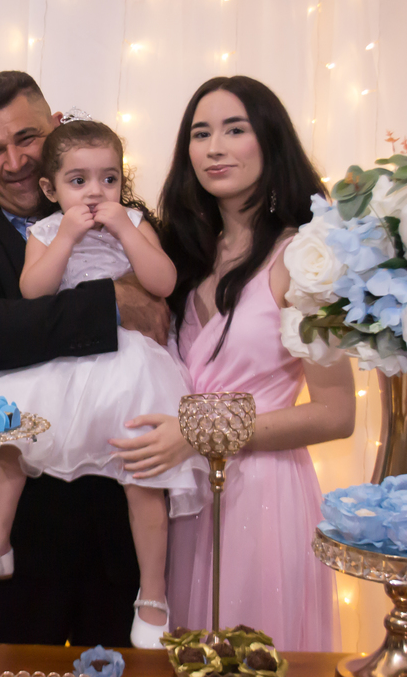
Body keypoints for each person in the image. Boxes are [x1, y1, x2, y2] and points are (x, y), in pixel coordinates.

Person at [0, 71, 172, 646]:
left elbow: (164, 315)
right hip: (18, 524)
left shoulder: (128, 218)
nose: (14, 162)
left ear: (56, 129)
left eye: (26, 138)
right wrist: (112, 302)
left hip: (117, 522)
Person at [140, 75, 354, 650]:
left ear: (270, 140)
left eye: (235, 130)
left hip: (265, 494)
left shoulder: (306, 256)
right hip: (184, 497)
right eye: (200, 133)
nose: (215, 148)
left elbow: (336, 414)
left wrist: (199, 431)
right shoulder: (180, 256)